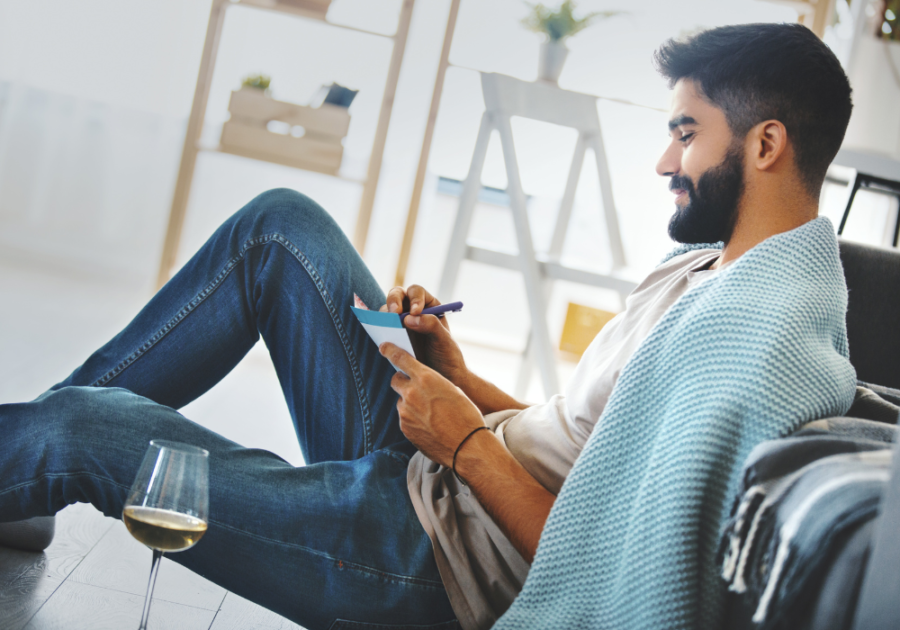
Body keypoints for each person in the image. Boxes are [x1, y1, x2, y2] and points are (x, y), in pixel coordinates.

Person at [0, 22, 855, 630]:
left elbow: (603, 566)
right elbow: (596, 455)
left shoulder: (750, 338)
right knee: (281, 229)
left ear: (766, 143)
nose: (667, 160)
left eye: (686, 132)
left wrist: (464, 445)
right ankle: (19, 476)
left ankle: (29, 462)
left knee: (86, 432)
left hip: (435, 562)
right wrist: (457, 376)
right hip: (443, 481)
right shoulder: (706, 270)